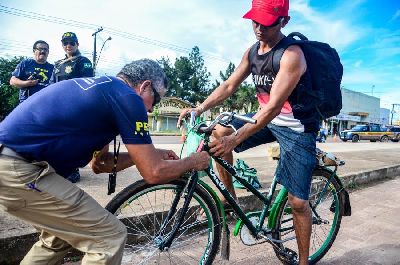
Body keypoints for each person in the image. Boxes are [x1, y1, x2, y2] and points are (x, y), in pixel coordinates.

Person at [0, 59, 210, 265]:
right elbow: (153, 173)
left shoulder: (105, 91)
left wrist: (147, 156)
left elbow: (101, 164)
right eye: (155, 101)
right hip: (19, 168)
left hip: (11, 163)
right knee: (109, 237)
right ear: (145, 86)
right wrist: (193, 161)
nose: (151, 110)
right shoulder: (128, 98)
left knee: (57, 238)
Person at [178, 0, 318, 264]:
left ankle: (302, 261)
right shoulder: (253, 51)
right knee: (218, 130)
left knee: (298, 203)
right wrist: (199, 108)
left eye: (266, 23)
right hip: (264, 120)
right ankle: (228, 197)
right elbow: (230, 84)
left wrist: (236, 139)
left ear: (284, 22)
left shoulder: (292, 55)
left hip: (297, 128)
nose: (258, 28)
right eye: (254, 21)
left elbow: (274, 107)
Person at [51, 32, 94, 183]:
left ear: (77, 44)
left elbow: (88, 84)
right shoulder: (57, 64)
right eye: (65, 43)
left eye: (71, 42)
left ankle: (73, 169)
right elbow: (52, 85)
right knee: (59, 137)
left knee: (72, 138)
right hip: (58, 106)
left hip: (75, 106)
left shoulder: (83, 61)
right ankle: (59, 167)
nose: (68, 45)